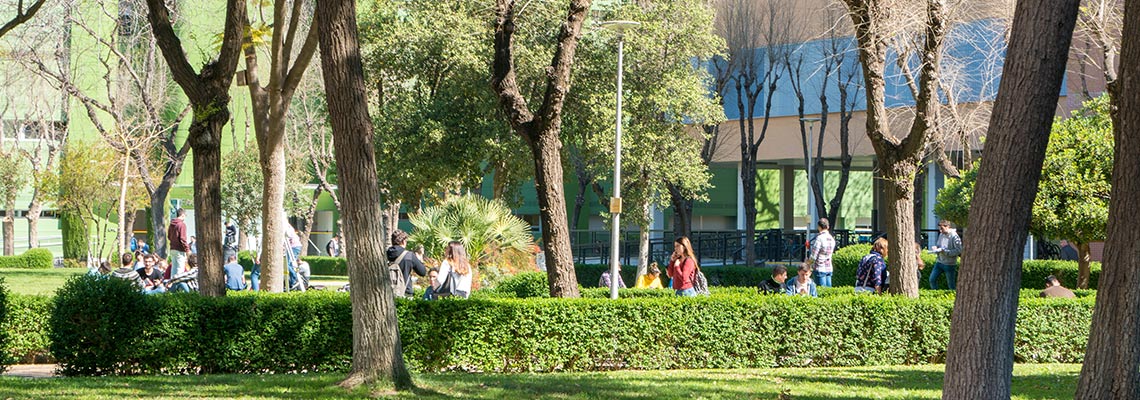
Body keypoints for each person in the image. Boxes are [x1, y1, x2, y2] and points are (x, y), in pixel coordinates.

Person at [387, 230, 428, 297]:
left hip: (387, 292)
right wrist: (420, 259)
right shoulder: (409, 255)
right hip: (405, 291)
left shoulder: (384, 254)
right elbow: (422, 272)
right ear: (403, 241)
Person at [929, 220, 963, 290]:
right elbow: (939, 245)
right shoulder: (941, 234)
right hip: (939, 262)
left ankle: (952, 296)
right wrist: (936, 248)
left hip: (949, 264)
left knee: (951, 285)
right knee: (932, 280)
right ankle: (935, 294)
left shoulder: (954, 236)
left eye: (942, 229)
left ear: (947, 227)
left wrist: (946, 252)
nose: (940, 231)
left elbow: (959, 250)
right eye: (939, 229)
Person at [808, 218, 836, 287]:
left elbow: (814, 255)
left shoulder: (819, 238)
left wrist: (808, 263)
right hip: (829, 267)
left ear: (819, 227)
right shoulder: (831, 238)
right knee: (828, 292)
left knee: (820, 291)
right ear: (828, 227)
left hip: (819, 268)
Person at [168, 208, 191, 277]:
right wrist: (187, 249)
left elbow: (169, 237)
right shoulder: (181, 224)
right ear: (182, 215)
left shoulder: (171, 224)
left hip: (172, 248)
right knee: (180, 270)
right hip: (179, 249)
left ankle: (172, 285)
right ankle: (178, 285)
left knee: (173, 269)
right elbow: (183, 238)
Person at [284, 221, 303, 290]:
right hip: (295, 246)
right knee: (290, 264)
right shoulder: (288, 226)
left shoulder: (286, 227)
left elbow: (288, 235)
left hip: (293, 247)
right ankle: (291, 281)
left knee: (287, 264)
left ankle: (294, 279)